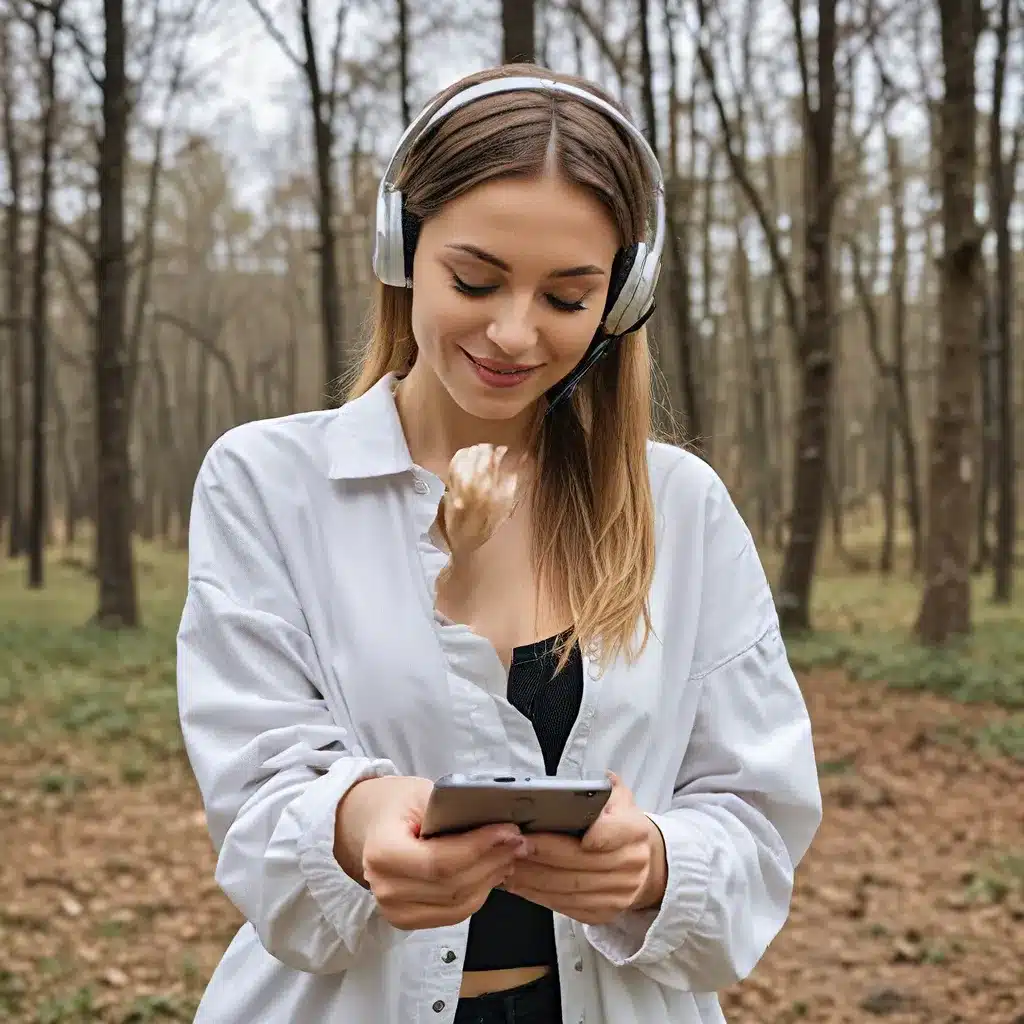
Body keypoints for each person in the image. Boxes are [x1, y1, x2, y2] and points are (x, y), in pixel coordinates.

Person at [176, 64, 822, 1024]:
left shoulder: (680, 507)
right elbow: (261, 783)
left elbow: (757, 811)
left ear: (622, 299)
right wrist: (355, 829)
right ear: (401, 247)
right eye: (474, 280)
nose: (514, 334)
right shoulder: (269, 486)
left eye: (568, 299)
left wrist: (654, 864)